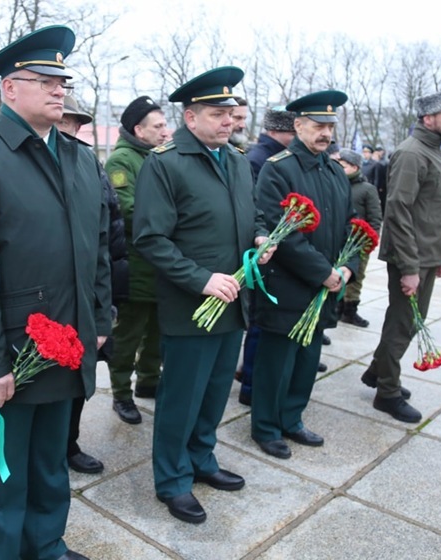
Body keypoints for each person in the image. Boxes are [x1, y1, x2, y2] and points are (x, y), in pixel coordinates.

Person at [0, 26, 110, 560]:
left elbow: (95, 250)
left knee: (50, 458)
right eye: (45, 80)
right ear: (9, 89)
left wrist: (99, 322)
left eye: (63, 80)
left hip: (69, 342)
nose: (60, 90)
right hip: (11, 349)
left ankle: (45, 544)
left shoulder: (79, 157)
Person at [133, 66, 272, 525]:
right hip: (193, 304)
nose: (229, 121)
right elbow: (151, 239)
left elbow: (247, 217)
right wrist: (201, 280)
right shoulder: (166, 163)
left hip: (234, 301)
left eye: (231, 113)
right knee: (182, 396)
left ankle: (201, 459)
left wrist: (260, 238)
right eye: (218, 114)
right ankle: (172, 479)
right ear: (190, 118)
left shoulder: (235, 160)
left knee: (214, 393)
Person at [250, 91, 358, 460]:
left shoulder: (334, 171)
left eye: (330, 126)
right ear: (298, 125)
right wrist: (323, 273)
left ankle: (292, 418)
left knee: (308, 359)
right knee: (276, 360)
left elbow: (349, 227)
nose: (326, 133)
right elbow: (283, 232)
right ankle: (266, 427)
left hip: (325, 286)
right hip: (289, 284)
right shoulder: (278, 168)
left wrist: (347, 267)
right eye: (318, 126)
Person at [360, 90, 441, 424]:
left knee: (407, 321)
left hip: (427, 254)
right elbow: (399, 212)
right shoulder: (412, 153)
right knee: (403, 323)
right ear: (428, 118)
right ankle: (386, 392)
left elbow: (436, 209)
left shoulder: (434, 151)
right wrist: (410, 268)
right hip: (410, 257)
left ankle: (377, 371)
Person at [56, 95, 127, 475]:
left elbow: (111, 231)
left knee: (79, 377)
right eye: (64, 120)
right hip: (46, 297)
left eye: (74, 123)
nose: (68, 129)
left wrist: (109, 299)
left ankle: (68, 444)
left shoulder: (88, 164)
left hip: (88, 294)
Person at [105, 95, 168, 425]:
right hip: (135, 265)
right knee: (129, 335)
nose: (165, 131)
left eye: (164, 124)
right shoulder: (122, 161)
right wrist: (172, 217)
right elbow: (128, 210)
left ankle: (148, 382)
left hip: (160, 267)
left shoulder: (156, 157)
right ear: (138, 129)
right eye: (157, 126)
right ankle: (121, 393)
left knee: (157, 330)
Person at [337, 148, 383, 327]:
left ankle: (350, 311)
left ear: (355, 167)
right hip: (337, 240)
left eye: (344, 166)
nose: (340, 169)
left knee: (356, 278)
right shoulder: (335, 184)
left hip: (358, 242)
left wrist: (370, 240)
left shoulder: (367, 189)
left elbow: (375, 217)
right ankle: (336, 308)